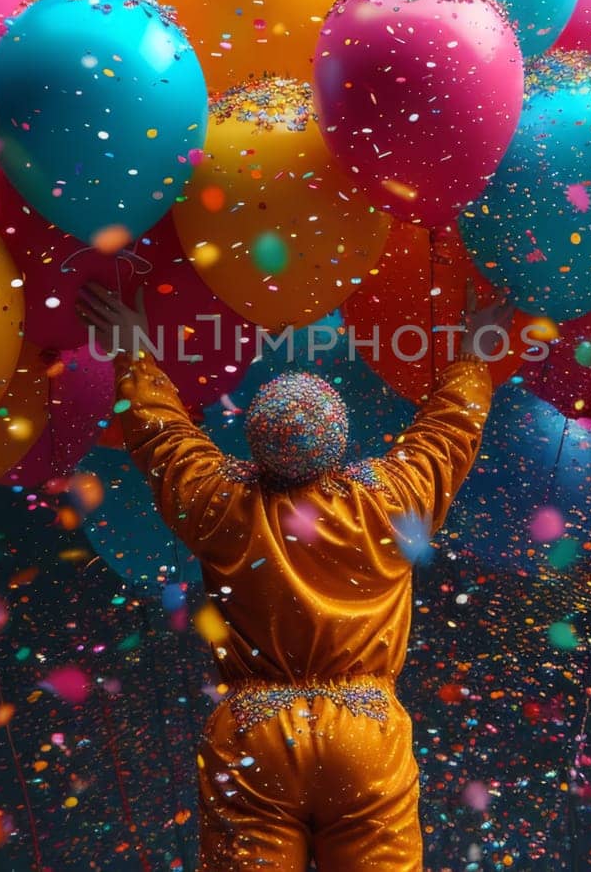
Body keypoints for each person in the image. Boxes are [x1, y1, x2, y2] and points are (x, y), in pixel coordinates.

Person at [77, 281, 510, 871]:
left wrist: (132, 352)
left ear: (257, 443)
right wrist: (472, 356)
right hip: (366, 732)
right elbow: (448, 434)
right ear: (339, 436)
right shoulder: (390, 498)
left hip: (254, 741)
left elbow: (162, 438)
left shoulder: (220, 500)